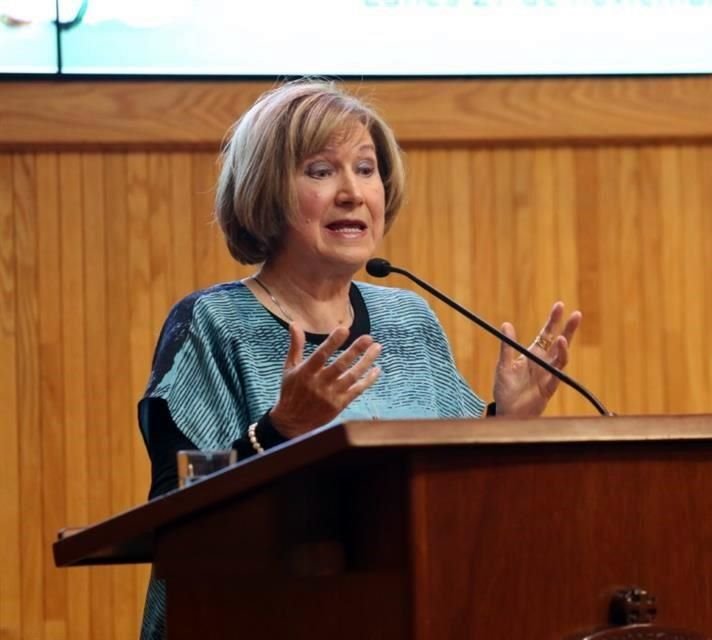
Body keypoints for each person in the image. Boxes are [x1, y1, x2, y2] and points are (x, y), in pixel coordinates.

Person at [136, 80, 581, 639]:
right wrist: (279, 431)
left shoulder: (409, 321)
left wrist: (506, 423)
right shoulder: (215, 324)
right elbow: (175, 512)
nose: (352, 192)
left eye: (366, 169)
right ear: (265, 190)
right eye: (321, 171)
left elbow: (447, 491)